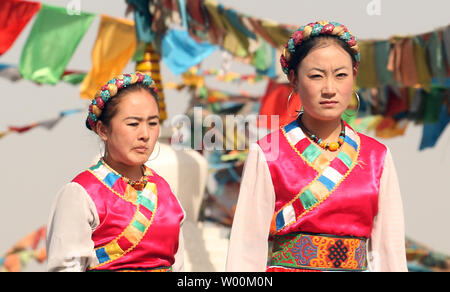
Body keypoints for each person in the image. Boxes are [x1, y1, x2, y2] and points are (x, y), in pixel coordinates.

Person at [226, 21, 407, 272]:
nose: (330, 89)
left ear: (354, 78)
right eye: (316, 75)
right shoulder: (268, 153)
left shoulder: (377, 157)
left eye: (341, 75)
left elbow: (390, 253)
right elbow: (246, 252)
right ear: (294, 80)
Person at [46, 72, 185, 272]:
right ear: (103, 130)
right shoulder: (82, 194)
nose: (145, 135)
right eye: (133, 124)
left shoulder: (166, 194)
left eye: (152, 123)